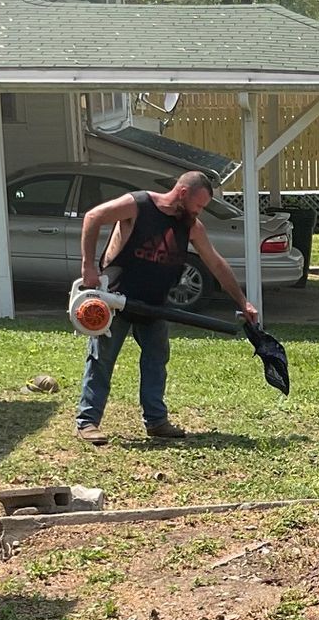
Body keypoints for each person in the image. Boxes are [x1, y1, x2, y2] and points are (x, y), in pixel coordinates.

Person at [75, 171, 259, 444]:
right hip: (115, 299)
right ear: (182, 194)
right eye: (198, 205)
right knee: (102, 360)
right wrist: (88, 266)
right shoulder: (137, 205)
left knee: (156, 360)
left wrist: (242, 301)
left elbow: (216, 264)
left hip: (154, 304)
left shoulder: (191, 226)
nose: (199, 211)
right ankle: (88, 422)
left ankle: (156, 421)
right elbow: (93, 217)